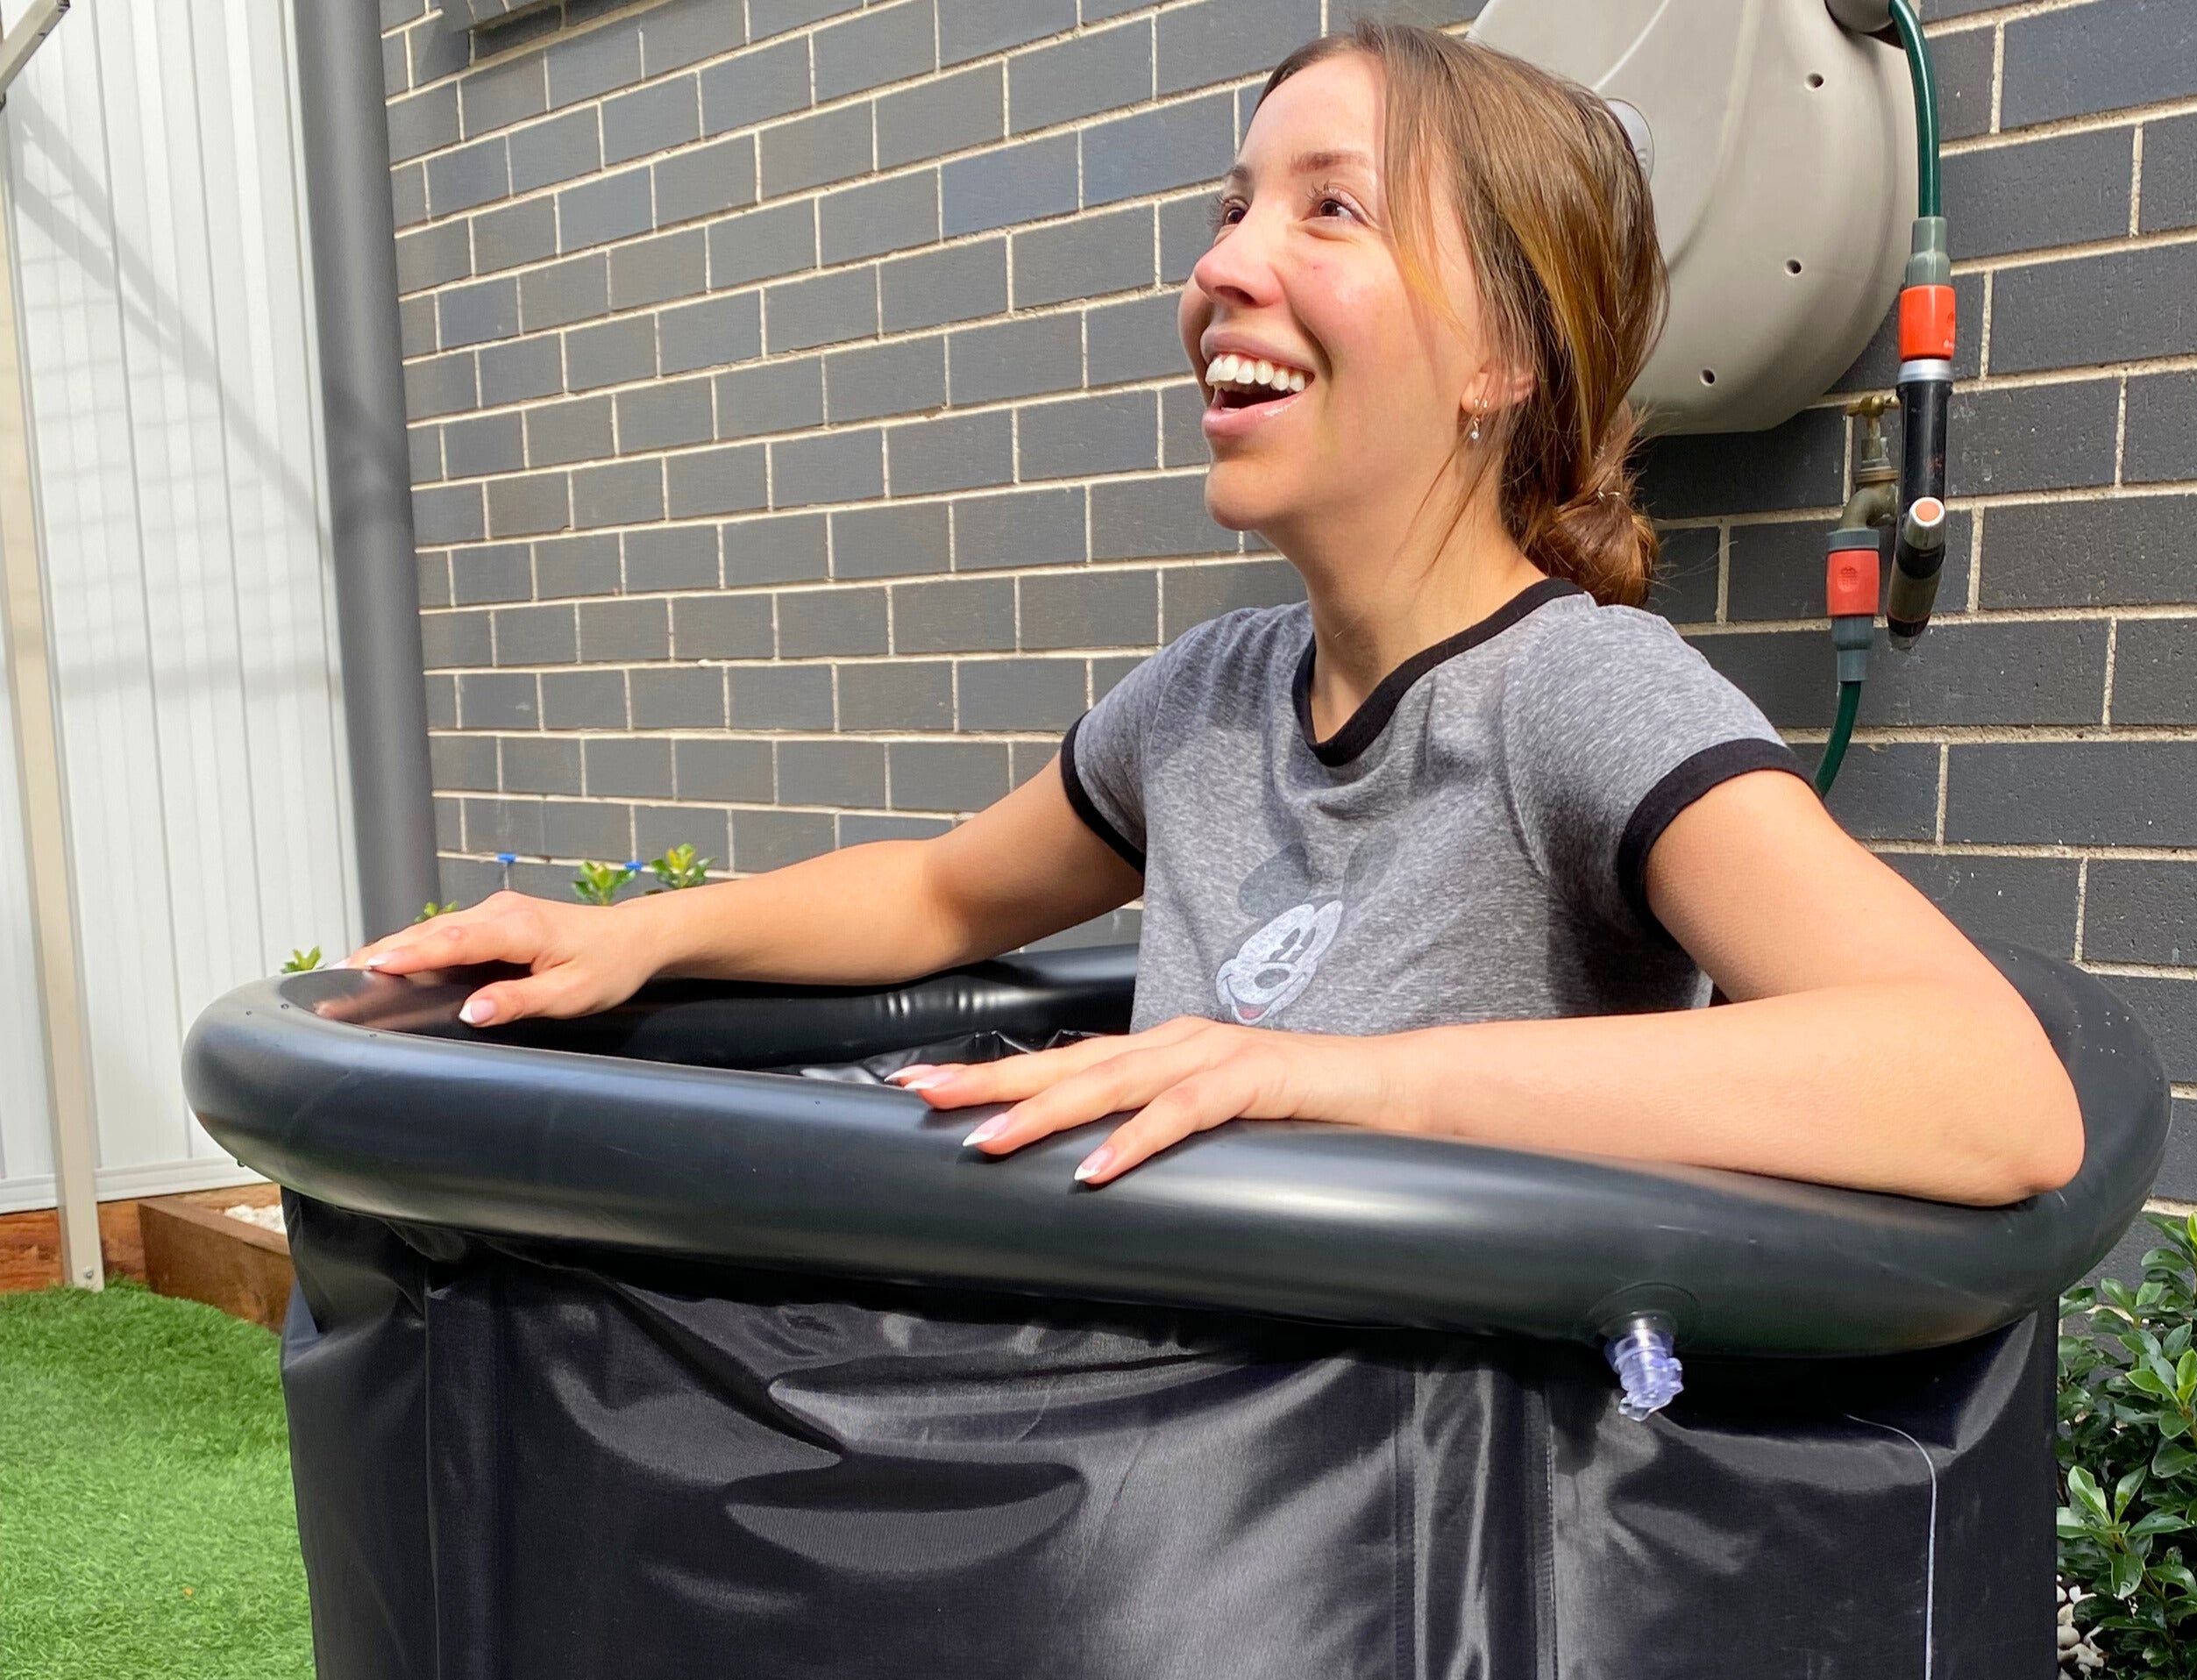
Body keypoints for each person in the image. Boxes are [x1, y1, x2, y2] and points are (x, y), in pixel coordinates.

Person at [350, 20, 2081, 1207]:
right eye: (1232, 206)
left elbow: (1987, 1091)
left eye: (1330, 208)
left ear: (1503, 356)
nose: (1225, 265)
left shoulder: (1581, 698)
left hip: (1419, 1589)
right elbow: (946, 891)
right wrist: (644, 934)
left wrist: (1325, 1080)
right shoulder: (1209, 698)